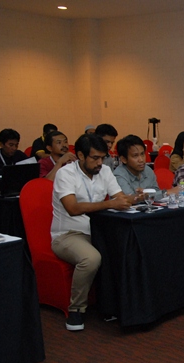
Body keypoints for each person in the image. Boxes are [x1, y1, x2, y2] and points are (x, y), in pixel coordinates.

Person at [51, 133, 132, 331]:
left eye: (102, 158)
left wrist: (134, 199)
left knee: (127, 247)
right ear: (80, 155)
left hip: (98, 231)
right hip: (68, 234)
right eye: (95, 158)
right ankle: (76, 310)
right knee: (91, 258)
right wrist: (110, 203)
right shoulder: (65, 174)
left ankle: (115, 305)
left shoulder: (104, 171)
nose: (99, 163)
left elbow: (119, 197)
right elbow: (73, 208)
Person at [113, 134, 177, 201]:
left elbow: (156, 191)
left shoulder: (147, 170)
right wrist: (165, 193)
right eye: (135, 156)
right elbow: (131, 199)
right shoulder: (119, 175)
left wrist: (147, 194)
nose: (141, 160)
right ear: (124, 159)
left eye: (142, 154)